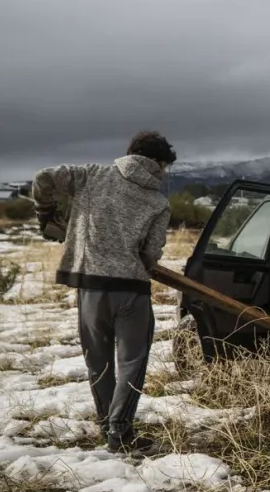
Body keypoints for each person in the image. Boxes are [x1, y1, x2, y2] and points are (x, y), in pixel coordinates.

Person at [31, 131, 176, 454]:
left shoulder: (90, 175)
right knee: (132, 363)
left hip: (91, 288)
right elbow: (151, 253)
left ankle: (106, 425)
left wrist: (46, 215)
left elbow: (43, 178)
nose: (164, 173)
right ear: (157, 162)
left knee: (98, 362)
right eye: (164, 167)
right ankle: (120, 432)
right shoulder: (157, 202)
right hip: (131, 290)